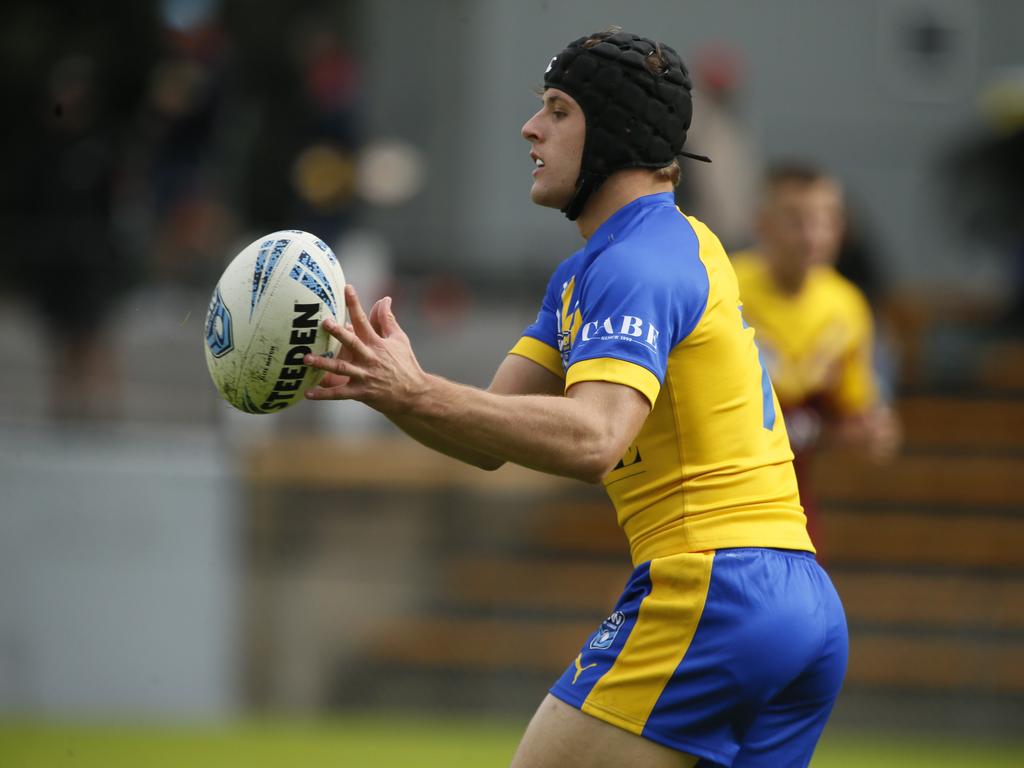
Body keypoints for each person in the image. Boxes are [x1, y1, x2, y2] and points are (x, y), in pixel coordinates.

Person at [304, 30, 847, 768]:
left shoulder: (638, 261)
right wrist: (393, 390)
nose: (531, 129)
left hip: (715, 589)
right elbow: (491, 439)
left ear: (615, 131)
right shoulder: (608, 265)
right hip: (800, 602)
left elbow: (595, 438)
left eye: (558, 110)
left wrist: (419, 389)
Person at [731, 164, 901, 548]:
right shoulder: (720, 287)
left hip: (790, 502)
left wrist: (874, 431)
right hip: (708, 492)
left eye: (826, 221)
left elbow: (857, 416)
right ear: (762, 225)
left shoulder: (847, 307)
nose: (812, 237)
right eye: (796, 221)